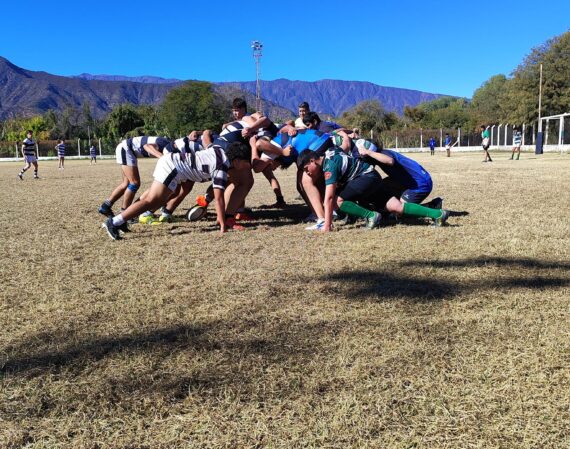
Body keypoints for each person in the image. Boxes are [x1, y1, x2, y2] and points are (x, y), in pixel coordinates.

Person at [101, 140, 251, 240]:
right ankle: (114, 222)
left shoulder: (219, 150)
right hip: (172, 167)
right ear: (236, 160)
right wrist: (223, 225)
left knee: (157, 201)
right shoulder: (222, 166)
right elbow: (219, 198)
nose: (246, 167)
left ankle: (121, 220)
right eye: (245, 163)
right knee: (150, 201)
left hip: (174, 167)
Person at [298, 148, 450, 232]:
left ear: (313, 160)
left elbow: (330, 198)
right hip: (372, 177)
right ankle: (437, 214)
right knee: (396, 207)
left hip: (365, 178)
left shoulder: (328, 166)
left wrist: (326, 225)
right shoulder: (331, 152)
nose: (308, 173)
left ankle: (371, 216)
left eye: (306, 169)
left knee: (337, 200)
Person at [98, 136, 170, 217]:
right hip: (126, 149)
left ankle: (105, 206)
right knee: (134, 183)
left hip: (127, 150)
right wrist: (162, 157)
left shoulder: (169, 147)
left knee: (126, 183)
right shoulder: (164, 144)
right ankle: (124, 213)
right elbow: (147, 146)